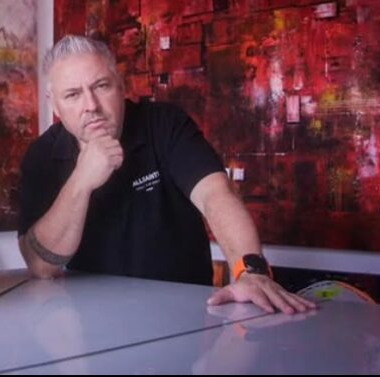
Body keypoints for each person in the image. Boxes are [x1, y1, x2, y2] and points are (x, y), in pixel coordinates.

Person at [17, 35, 316, 314]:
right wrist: (81, 181)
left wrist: (250, 271)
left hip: (185, 311)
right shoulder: (41, 155)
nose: (91, 105)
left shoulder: (164, 125)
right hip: (92, 317)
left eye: (101, 86)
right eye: (72, 95)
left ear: (120, 86)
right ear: (54, 105)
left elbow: (215, 195)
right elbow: (41, 266)